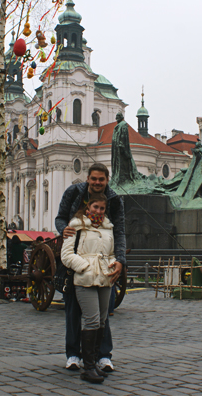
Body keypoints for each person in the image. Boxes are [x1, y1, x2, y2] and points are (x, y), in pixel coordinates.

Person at [56, 163, 126, 373]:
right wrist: (64, 230)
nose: (97, 182)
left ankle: (103, 356)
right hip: (77, 256)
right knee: (73, 310)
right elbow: (60, 217)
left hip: (104, 259)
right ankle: (73, 355)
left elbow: (120, 230)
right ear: (88, 179)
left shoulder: (114, 199)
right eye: (93, 179)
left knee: (101, 314)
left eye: (101, 179)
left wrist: (120, 259)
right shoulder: (73, 192)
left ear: (107, 180)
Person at [61, 192, 115, 384]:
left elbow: (111, 253)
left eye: (102, 208)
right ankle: (89, 368)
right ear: (88, 207)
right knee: (91, 321)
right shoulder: (76, 225)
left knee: (101, 321)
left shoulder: (109, 227)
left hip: (105, 279)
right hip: (85, 279)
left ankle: (93, 363)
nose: (98, 211)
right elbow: (66, 255)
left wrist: (114, 264)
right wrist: (84, 267)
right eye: (95, 207)